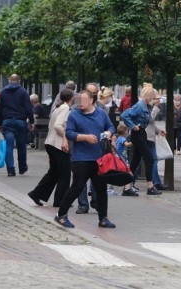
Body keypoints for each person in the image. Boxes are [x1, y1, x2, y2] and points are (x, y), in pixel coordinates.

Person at [54, 89, 116, 229]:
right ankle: (61, 215)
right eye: (78, 100)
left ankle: (103, 218)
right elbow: (69, 133)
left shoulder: (101, 113)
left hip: (99, 158)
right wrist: (85, 138)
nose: (79, 103)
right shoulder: (74, 114)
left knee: (100, 189)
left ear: (91, 100)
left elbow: (111, 126)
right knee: (76, 187)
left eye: (82, 100)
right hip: (81, 159)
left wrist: (108, 133)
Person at [28, 88, 74, 207]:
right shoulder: (65, 108)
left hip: (50, 143)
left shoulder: (58, 107)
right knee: (65, 173)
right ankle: (60, 200)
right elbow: (58, 126)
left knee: (54, 172)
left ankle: (36, 193)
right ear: (71, 98)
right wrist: (66, 136)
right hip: (57, 144)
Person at [121, 86, 162, 196]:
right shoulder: (140, 106)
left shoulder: (147, 106)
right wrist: (133, 126)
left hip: (141, 133)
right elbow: (124, 115)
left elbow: (149, 120)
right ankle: (150, 186)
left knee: (135, 162)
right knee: (149, 158)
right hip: (138, 134)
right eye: (154, 97)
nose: (155, 99)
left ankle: (127, 187)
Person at [0, 74, 34, 176]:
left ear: (9, 80)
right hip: (20, 122)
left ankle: (10, 170)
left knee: (8, 146)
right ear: (19, 81)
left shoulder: (3, 92)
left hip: (7, 122)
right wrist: (31, 121)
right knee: (21, 146)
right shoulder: (23, 92)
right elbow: (28, 108)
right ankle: (22, 168)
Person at [76, 83, 101, 213]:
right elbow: (68, 128)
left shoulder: (101, 109)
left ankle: (96, 201)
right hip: (80, 150)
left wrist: (109, 134)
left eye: (95, 92)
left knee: (97, 178)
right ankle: (83, 204)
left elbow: (109, 126)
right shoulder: (76, 109)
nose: (94, 95)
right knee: (80, 179)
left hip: (97, 150)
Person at [146, 90, 168, 191]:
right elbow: (149, 119)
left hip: (149, 137)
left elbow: (151, 124)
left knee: (152, 160)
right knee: (150, 160)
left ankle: (156, 182)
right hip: (146, 137)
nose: (157, 100)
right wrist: (155, 107)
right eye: (155, 98)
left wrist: (158, 131)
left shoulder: (149, 107)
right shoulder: (146, 107)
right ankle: (156, 182)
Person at [115, 123, 137, 196]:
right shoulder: (122, 138)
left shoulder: (118, 138)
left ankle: (127, 188)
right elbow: (127, 144)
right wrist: (134, 141)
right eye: (127, 130)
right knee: (129, 173)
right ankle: (127, 189)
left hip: (120, 158)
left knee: (126, 173)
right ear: (125, 131)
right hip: (122, 159)